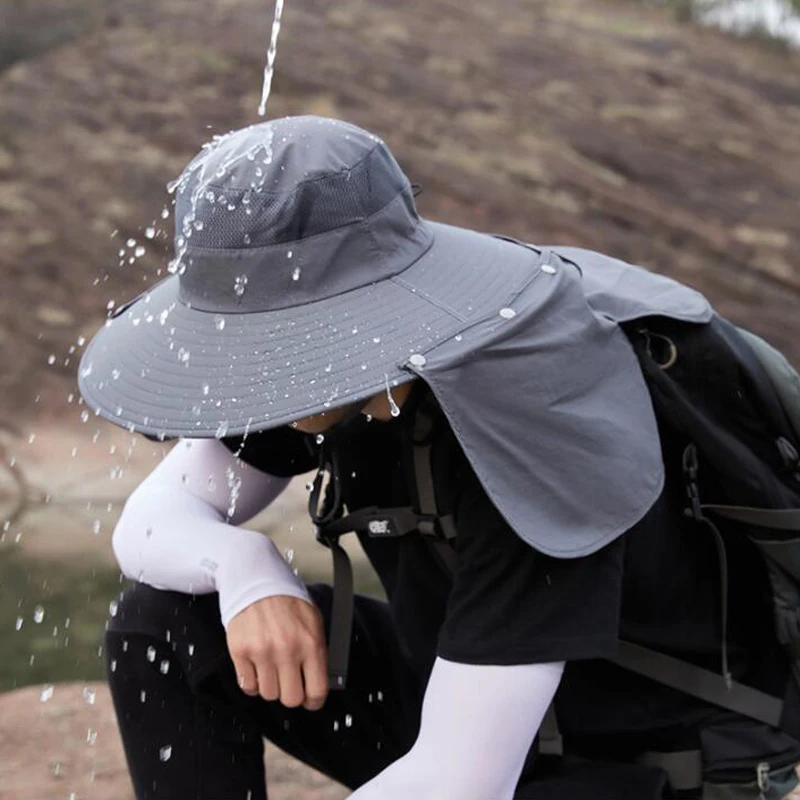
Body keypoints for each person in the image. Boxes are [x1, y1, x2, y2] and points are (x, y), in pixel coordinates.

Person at [78, 115, 800, 799]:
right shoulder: (323, 376)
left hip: (641, 764)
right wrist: (244, 569)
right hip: (461, 706)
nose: (254, 366)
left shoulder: (535, 419)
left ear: (354, 309)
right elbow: (153, 519)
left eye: (277, 334)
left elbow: (459, 783)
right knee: (160, 620)